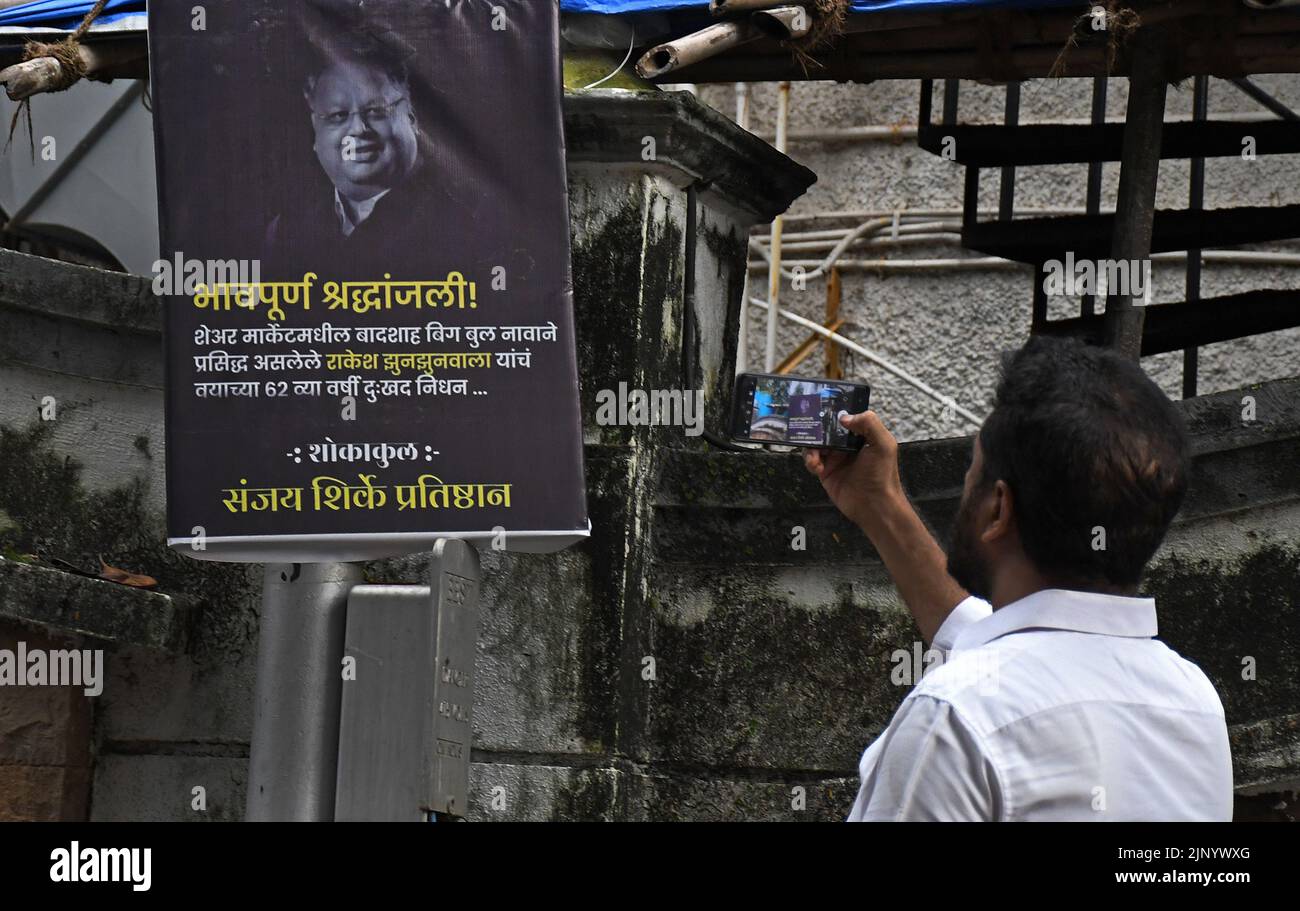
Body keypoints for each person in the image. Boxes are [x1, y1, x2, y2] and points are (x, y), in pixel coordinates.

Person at [806, 335, 1233, 821]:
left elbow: (1007, 673)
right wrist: (880, 503)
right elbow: (1012, 652)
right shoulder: (1194, 701)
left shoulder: (952, 718)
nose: (967, 487)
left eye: (973, 472)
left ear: (998, 507)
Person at [262, 34, 472, 280]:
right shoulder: (286, 232)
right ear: (315, 130)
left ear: (412, 118)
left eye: (376, 111)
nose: (358, 129)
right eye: (338, 115)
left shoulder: (462, 221)